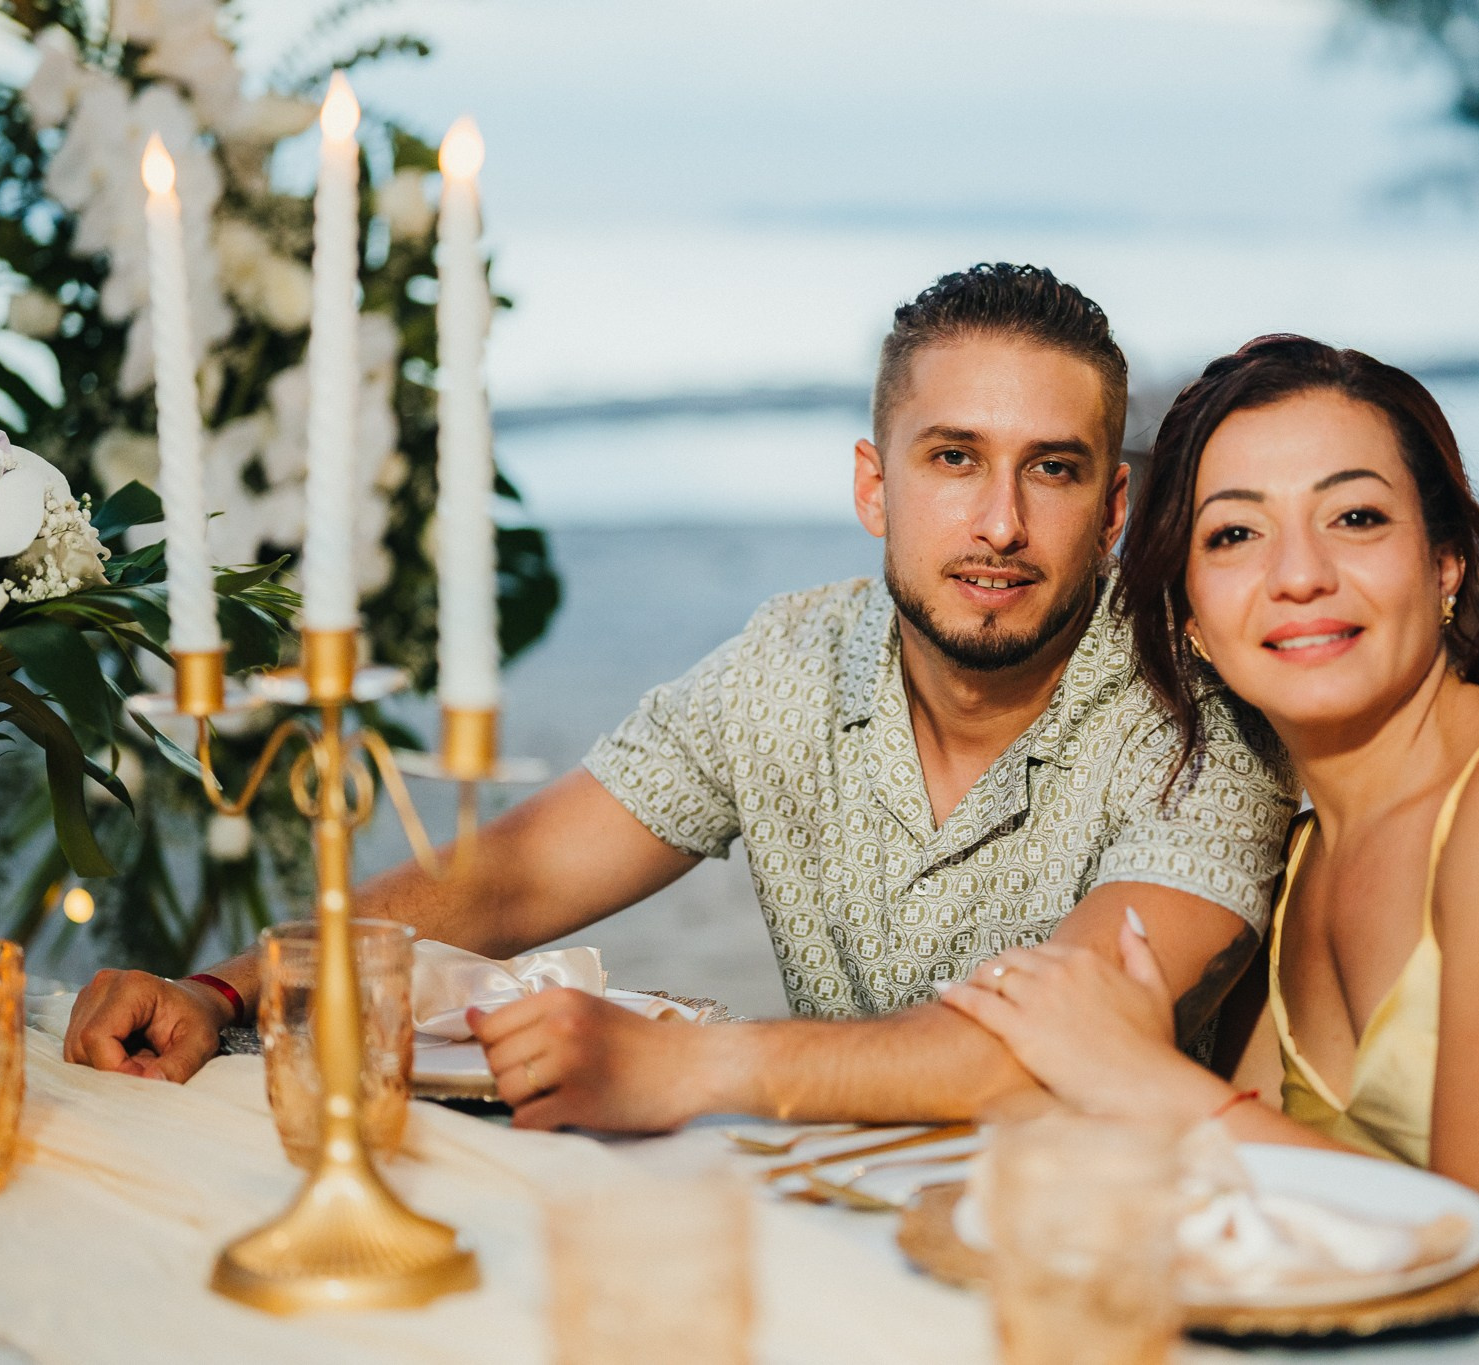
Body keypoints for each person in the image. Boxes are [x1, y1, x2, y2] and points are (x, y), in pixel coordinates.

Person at [64, 264, 1296, 1131]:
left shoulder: (1198, 725)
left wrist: (684, 1067)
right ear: (875, 486)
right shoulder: (790, 662)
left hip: (1096, 1269)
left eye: (1054, 470)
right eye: (953, 458)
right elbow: (511, 877)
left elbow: (1041, 1055)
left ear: (1115, 512)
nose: (998, 523)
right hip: (829, 1231)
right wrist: (221, 990)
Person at [940, 335, 1479, 1326]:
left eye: (1354, 518)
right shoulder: (1306, 852)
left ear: (1442, 560)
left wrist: (1143, 1079)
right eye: (1234, 535)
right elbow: (1258, 1195)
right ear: (1187, 613)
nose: (1298, 576)